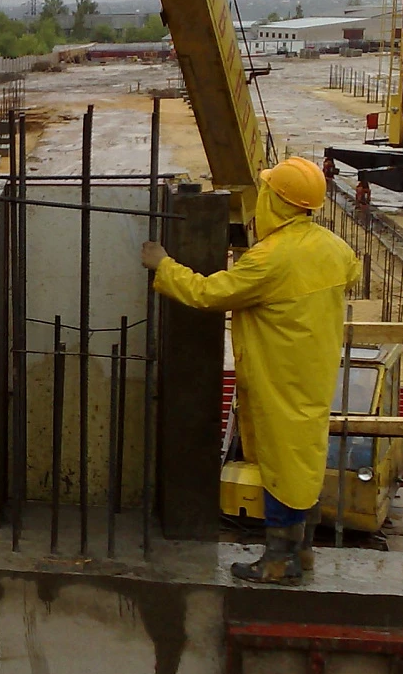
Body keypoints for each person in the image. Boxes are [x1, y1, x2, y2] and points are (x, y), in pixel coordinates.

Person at [140, 157, 360, 585]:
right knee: (303, 460)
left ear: (274, 200)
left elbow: (209, 293)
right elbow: (342, 275)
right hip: (312, 374)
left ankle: (277, 562)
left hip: (279, 375)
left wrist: (163, 265)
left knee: (281, 466)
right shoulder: (334, 247)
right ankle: (303, 553)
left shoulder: (270, 260)